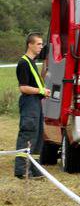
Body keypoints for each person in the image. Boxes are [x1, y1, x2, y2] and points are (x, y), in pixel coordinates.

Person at [14, 32, 48, 179]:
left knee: (38, 136)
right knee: (27, 134)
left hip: (35, 102)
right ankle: (21, 170)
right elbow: (23, 87)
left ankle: (34, 169)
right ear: (30, 44)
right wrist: (41, 90)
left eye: (41, 44)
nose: (41, 46)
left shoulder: (32, 62)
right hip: (29, 102)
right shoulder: (23, 63)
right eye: (39, 44)